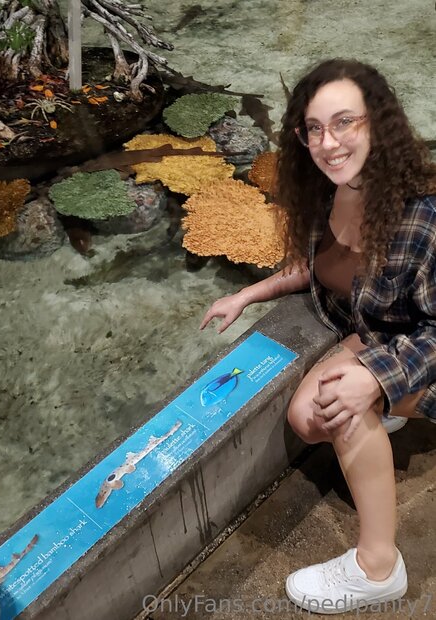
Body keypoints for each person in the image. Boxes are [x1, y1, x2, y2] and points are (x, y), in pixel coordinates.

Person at [200, 58, 436, 614]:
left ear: (378, 123)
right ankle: (384, 411)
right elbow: (321, 264)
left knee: (340, 406)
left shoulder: (423, 216)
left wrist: (375, 380)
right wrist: (246, 294)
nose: (328, 143)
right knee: (308, 418)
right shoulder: (330, 191)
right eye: (314, 128)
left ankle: (379, 568)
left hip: (419, 351)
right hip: (378, 333)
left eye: (344, 122)